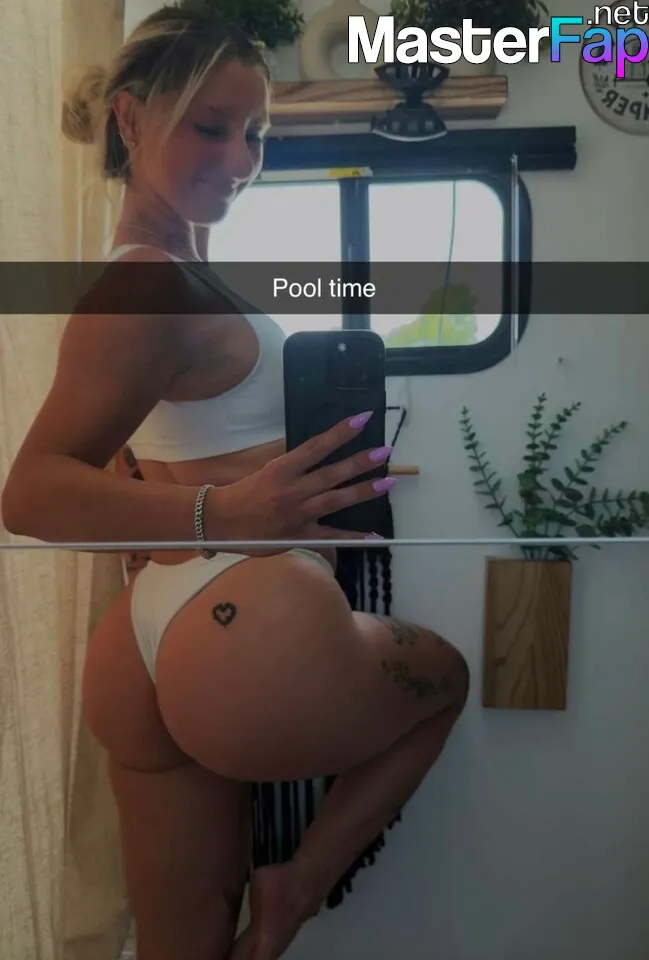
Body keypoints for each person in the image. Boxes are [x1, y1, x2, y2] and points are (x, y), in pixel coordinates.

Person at [0, 2, 470, 958]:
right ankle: (296, 887)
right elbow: (31, 491)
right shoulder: (146, 285)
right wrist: (234, 509)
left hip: (149, 632)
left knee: (183, 944)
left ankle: (282, 892)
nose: (239, 157)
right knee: (448, 679)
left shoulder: (175, 271)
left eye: (253, 132)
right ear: (130, 118)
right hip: (239, 622)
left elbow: (138, 442)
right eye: (210, 127)